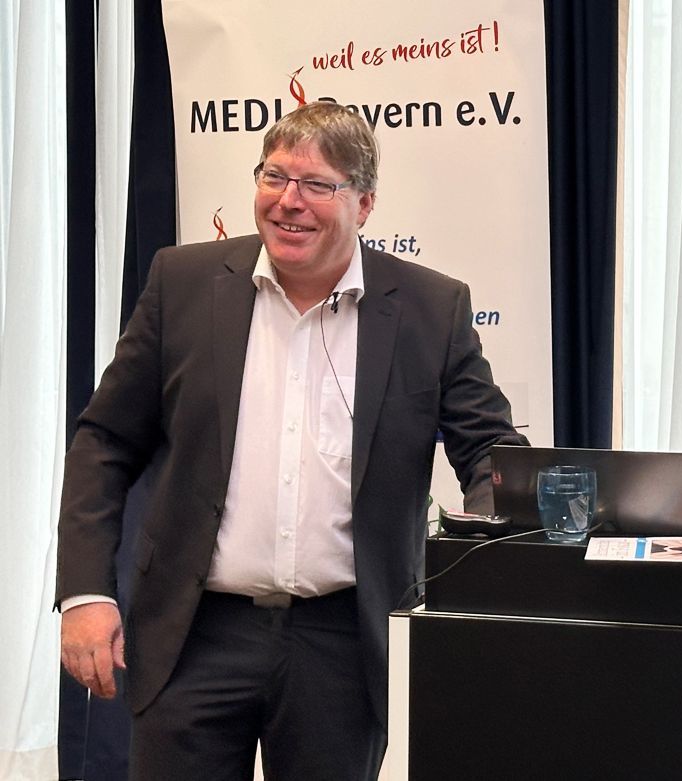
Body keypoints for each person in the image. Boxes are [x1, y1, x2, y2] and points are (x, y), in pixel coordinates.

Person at [56, 100, 528, 780]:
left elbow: (490, 454)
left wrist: (487, 567)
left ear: (364, 204)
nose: (288, 201)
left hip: (342, 644)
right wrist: (85, 593)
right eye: (273, 176)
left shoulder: (430, 309)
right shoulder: (181, 284)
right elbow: (103, 441)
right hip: (192, 634)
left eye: (316, 185)